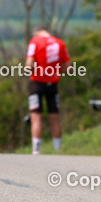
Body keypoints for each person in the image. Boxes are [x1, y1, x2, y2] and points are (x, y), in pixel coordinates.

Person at [24, 26, 70, 154]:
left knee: (36, 116)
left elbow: (29, 65)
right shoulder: (60, 43)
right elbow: (68, 68)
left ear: (37, 32)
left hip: (37, 84)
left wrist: (34, 70)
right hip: (53, 84)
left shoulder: (35, 41)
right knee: (54, 117)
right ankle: (57, 149)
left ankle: (36, 150)